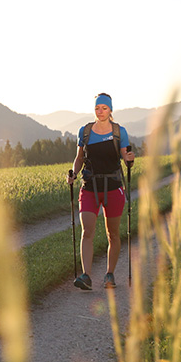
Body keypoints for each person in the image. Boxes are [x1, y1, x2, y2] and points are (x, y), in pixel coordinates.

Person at [67, 92, 135, 291]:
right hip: (89, 188)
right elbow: (79, 158)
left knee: (112, 234)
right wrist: (73, 173)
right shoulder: (85, 131)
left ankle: (110, 274)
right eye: (97, 108)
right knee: (87, 231)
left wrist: (130, 159)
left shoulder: (118, 132)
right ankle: (86, 275)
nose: (100, 111)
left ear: (110, 109)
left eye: (104, 108)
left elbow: (126, 158)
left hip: (113, 187)